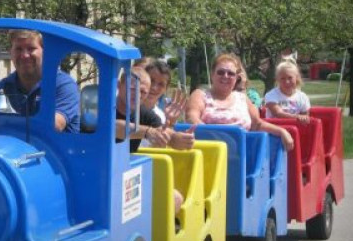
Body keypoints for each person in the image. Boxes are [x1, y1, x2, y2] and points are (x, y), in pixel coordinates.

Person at [115, 66, 188, 215]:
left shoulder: (145, 113)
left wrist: (178, 139)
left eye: (142, 92)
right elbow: (113, 127)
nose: (137, 95)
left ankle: (155, 237)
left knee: (175, 197)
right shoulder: (101, 105)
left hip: (127, 177)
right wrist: (147, 132)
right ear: (118, 86)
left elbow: (163, 132)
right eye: (132, 89)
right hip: (97, 172)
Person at [186, 53, 294, 152]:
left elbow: (257, 124)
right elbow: (191, 118)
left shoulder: (242, 99)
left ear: (237, 78)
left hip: (242, 155)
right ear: (212, 74)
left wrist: (281, 131)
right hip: (211, 153)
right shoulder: (200, 95)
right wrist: (219, 138)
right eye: (221, 72)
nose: (225, 76)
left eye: (231, 73)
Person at [0, 29, 80, 133]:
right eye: (18, 49)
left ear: (45, 52)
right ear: (10, 52)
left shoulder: (63, 85)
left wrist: (4, 122)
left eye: (31, 48)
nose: (24, 55)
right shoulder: (2, 88)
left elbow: (54, 126)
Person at [264, 58, 311, 124]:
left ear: (296, 78)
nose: (287, 82)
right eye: (282, 78)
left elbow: (305, 118)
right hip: (275, 129)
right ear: (277, 79)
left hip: (296, 129)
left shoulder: (302, 97)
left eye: (290, 78)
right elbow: (278, 113)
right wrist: (297, 117)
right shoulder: (271, 95)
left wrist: (303, 118)